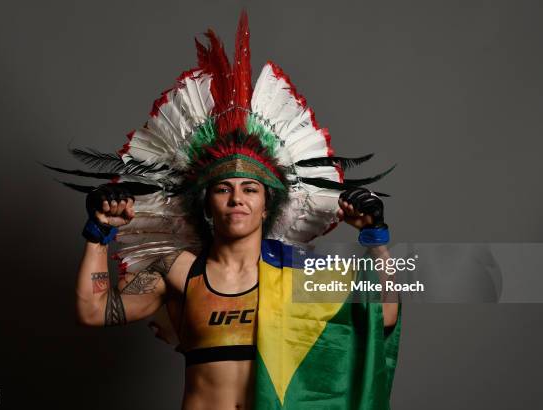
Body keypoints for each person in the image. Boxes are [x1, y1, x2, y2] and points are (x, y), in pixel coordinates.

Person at [50, 11, 402, 409]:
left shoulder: (296, 275)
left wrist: (375, 240)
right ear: (207, 204)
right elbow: (94, 310)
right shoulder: (177, 271)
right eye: (223, 189)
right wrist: (98, 235)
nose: (237, 198)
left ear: (267, 202)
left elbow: (384, 315)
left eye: (250, 188)